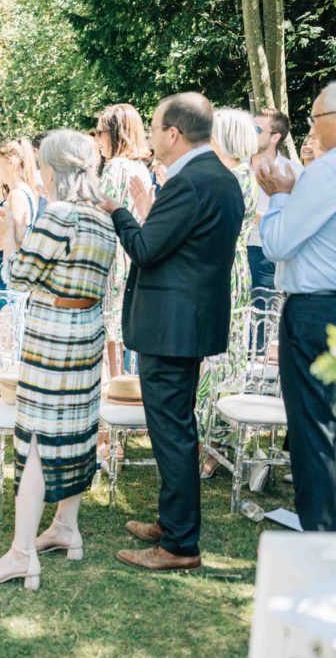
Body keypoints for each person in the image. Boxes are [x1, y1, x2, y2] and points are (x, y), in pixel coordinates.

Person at [103, 92, 243, 572]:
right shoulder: (220, 178)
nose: (152, 137)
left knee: (172, 432)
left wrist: (116, 211)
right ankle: (171, 521)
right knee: (176, 426)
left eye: (156, 128)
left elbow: (143, 248)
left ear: (174, 134)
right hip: (190, 322)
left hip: (171, 327)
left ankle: (180, 544)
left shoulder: (189, 184)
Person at [0, 130, 117, 590]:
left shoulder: (59, 216)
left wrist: (13, 237)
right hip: (88, 331)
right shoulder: (101, 218)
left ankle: (21, 554)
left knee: (36, 435)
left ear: (51, 169)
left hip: (53, 333)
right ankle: (65, 528)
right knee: (76, 431)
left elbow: (18, 275)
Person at [257, 81, 336, 532]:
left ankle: (320, 535)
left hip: (316, 311)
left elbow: (279, 244)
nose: (311, 128)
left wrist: (281, 194)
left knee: (312, 429)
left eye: (315, 120)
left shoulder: (325, 172)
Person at [197, 108, 260, 478]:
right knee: (222, 355)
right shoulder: (240, 175)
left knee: (219, 358)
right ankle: (214, 439)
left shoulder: (233, 178)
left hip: (223, 271)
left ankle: (214, 442)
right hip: (230, 268)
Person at [93, 104, 152, 379]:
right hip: (135, 247)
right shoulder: (140, 167)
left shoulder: (116, 167)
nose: (97, 139)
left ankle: (116, 387)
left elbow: (100, 211)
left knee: (112, 325)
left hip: (114, 251)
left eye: (100, 132)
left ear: (115, 134)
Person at [247, 109, 303, 299]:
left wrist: (249, 212)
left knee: (261, 321)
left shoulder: (293, 172)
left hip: (264, 256)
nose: (249, 133)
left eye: (256, 129)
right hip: (227, 250)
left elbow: (293, 225)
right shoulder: (234, 167)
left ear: (275, 137)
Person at [0, 140, 39, 291]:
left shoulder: (17, 195)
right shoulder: (24, 191)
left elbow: (5, 242)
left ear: (10, 163)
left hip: (8, 282)